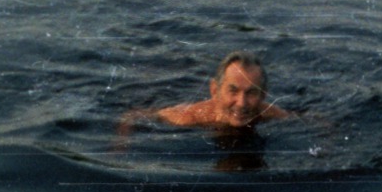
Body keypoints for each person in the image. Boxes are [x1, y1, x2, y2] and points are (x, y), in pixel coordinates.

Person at [116, 51, 291, 139]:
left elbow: (311, 119)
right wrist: (120, 148)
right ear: (215, 90)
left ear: (264, 94)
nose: (241, 103)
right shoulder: (188, 117)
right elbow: (133, 115)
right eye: (233, 91)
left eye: (251, 92)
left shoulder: (269, 113)